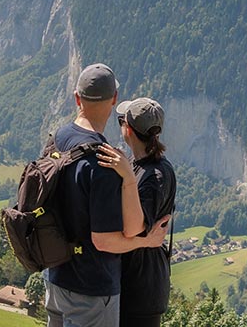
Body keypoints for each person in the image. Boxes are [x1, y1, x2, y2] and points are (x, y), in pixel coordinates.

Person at [45, 64, 169, 327]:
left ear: (77, 98)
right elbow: (104, 241)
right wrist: (147, 242)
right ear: (114, 99)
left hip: (56, 277)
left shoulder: (58, 138)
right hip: (91, 287)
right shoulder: (104, 162)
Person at [97, 97, 177, 327]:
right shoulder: (137, 163)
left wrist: (127, 177)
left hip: (141, 292)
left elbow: (133, 229)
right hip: (132, 284)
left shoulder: (156, 176)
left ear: (128, 129)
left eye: (121, 120)